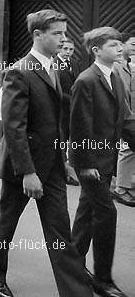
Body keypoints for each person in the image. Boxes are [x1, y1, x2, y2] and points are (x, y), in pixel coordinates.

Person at [0, 9, 92, 297]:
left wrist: (65, 159)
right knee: (5, 223)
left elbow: (57, 122)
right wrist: (29, 172)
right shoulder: (19, 71)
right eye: (57, 33)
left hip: (53, 165)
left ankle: (75, 291)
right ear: (37, 35)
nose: (63, 38)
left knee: (60, 231)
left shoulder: (55, 68)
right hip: (23, 167)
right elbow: (14, 127)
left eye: (64, 32)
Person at [69, 27, 128, 297]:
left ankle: (73, 266)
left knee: (86, 215)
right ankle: (102, 279)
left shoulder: (115, 76)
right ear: (96, 50)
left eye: (120, 44)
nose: (119, 49)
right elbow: (80, 126)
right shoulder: (86, 80)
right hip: (89, 162)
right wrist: (85, 163)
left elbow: (124, 119)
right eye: (113, 45)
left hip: (107, 159)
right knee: (106, 213)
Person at [113, 31, 135, 207]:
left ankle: (126, 184)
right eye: (132, 44)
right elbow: (120, 95)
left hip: (130, 114)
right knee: (126, 150)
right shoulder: (117, 67)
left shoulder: (128, 65)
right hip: (123, 116)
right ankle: (121, 189)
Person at [56, 39, 80, 186]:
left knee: (73, 138)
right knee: (61, 139)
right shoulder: (54, 64)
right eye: (65, 49)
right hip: (61, 109)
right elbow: (56, 88)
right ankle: (62, 172)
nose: (68, 52)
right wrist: (72, 100)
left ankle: (72, 170)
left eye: (71, 50)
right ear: (60, 49)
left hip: (74, 109)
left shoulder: (75, 64)